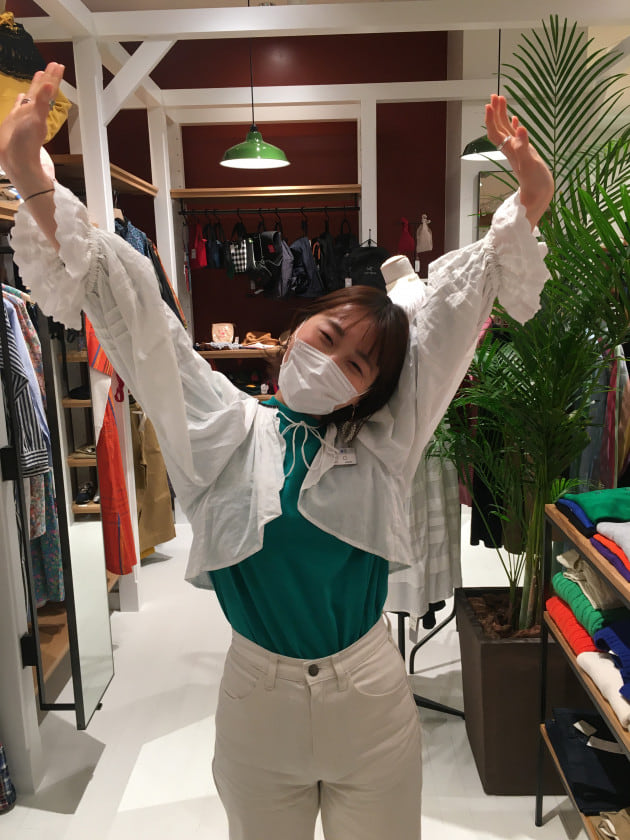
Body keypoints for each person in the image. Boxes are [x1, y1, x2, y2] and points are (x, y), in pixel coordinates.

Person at [0, 63, 554, 840]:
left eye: (358, 365)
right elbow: (134, 313)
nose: (333, 362)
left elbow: (453, 318)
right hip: (258, 709)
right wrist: (30, 177)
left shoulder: (386, 443)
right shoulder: (220, 431)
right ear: (294, 333)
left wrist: (529, 198)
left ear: (370, 393)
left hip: (370, 704)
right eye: (327, 337)